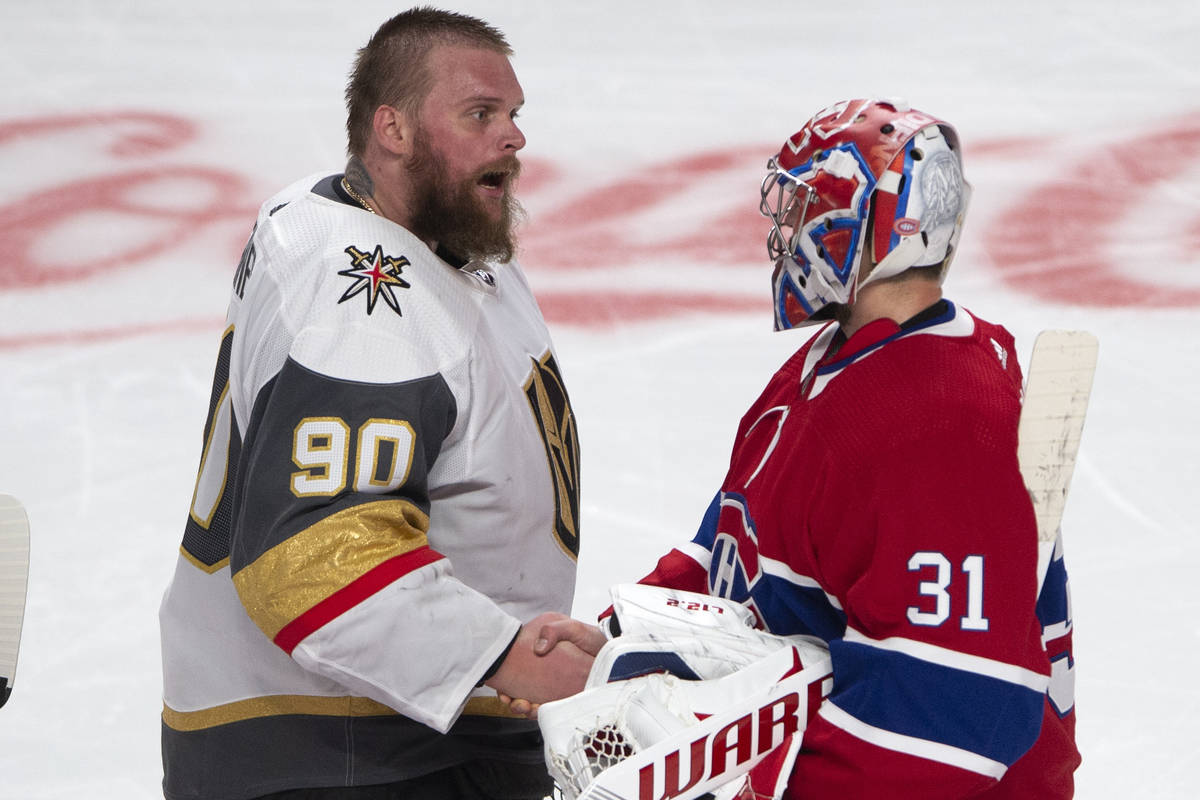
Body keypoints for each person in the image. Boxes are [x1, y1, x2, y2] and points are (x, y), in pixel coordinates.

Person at [525, 98, 1081, 798]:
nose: (785, 231)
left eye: (808, 209)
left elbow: (952, 717)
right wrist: (614, 643)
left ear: (873, 228)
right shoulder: (839, 358)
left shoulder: (946, 425)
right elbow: (734, 548)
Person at [159, 8, 593, 799]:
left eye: (514, 115)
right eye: (479, 114)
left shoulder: (380, 227)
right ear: (390, 128)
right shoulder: (366, 299)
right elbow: (316, 558)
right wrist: (502, 655)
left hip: (396, 734)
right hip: (345, 753)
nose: (514, 138)